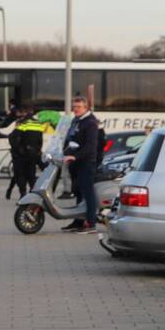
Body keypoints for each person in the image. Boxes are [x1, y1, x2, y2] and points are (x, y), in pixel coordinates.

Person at [62, 96, 100, 233]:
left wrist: (75, 155)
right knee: (78, 191)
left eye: (78, 107)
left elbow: (91, 146)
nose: (75, 109)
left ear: (86, 108)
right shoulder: (76, 120)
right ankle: (78, 221)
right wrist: (63, 152)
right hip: (75, 162)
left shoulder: (90, 123)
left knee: (87, 192)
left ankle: (91, 223)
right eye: (74, 107)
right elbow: (70, 139)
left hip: (86, 162)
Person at [7, 104, 45, 199]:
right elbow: (40, 140)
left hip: (22, 155)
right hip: (33, 154)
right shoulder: (39, 124)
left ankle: (23, 193)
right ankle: (33, 194)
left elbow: (13, 137)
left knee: (20, 174)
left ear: (24, 113)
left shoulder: (23, 123)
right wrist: (38, 150)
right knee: (31, 174)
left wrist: (17, 150)